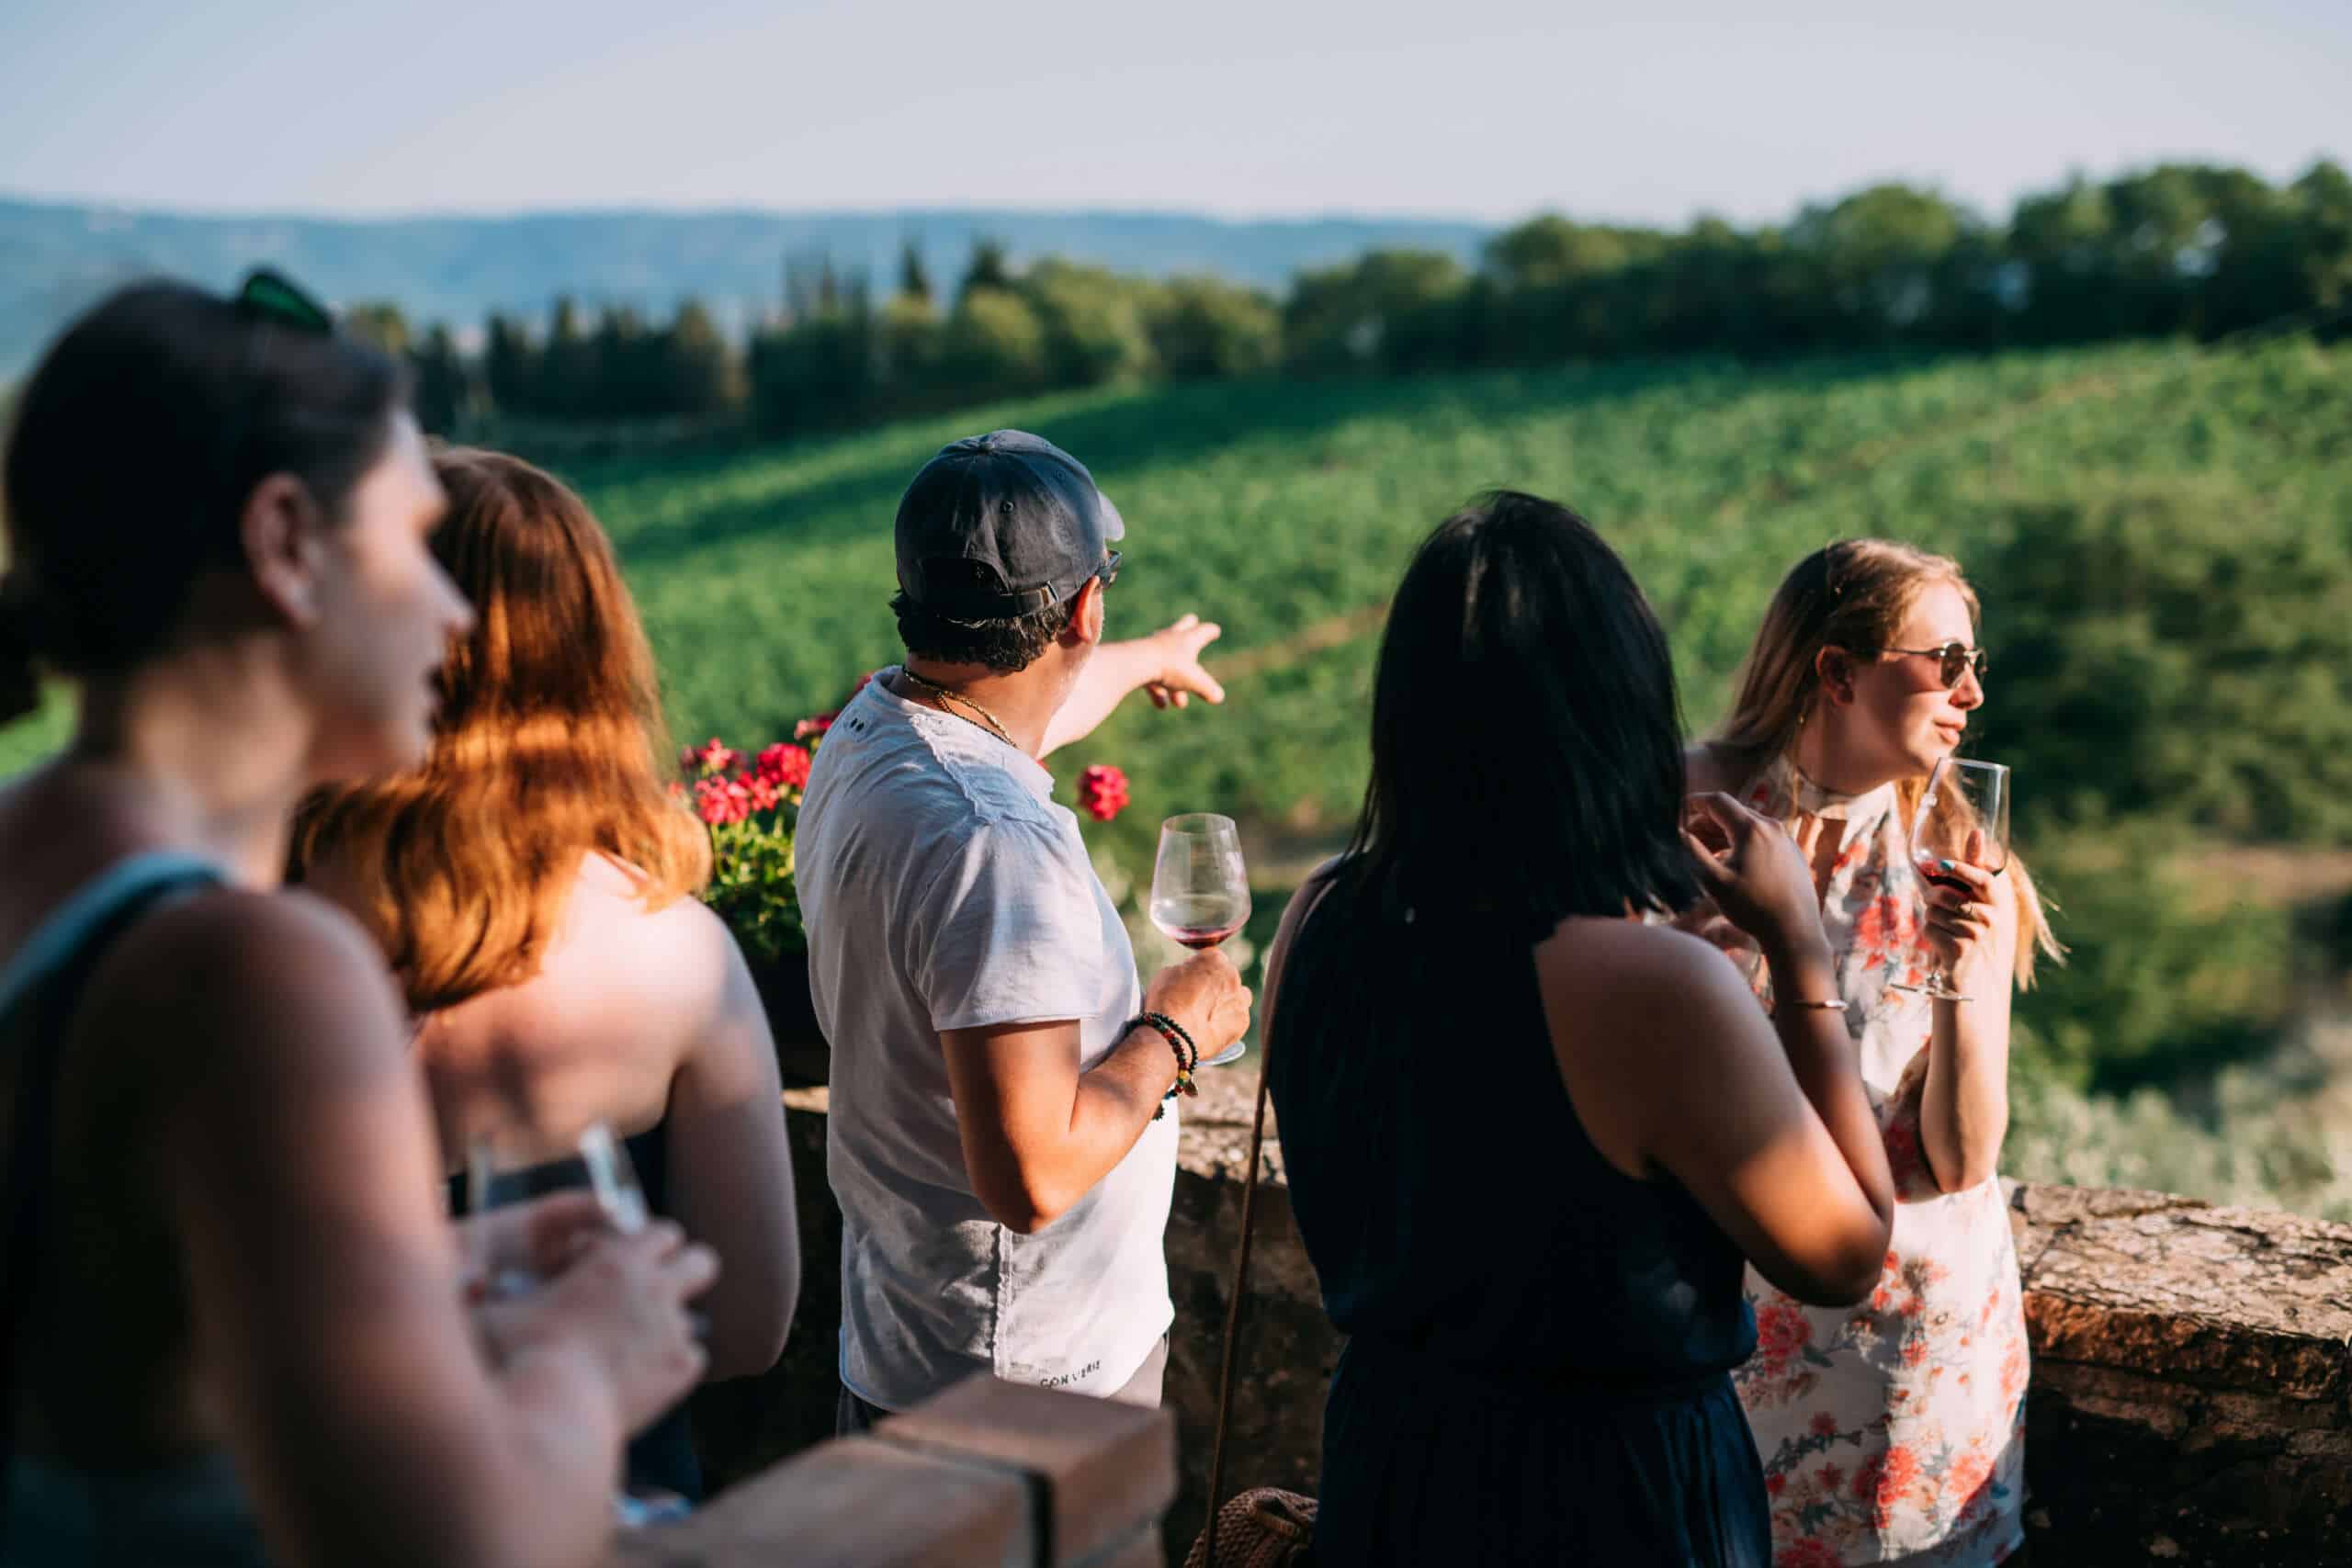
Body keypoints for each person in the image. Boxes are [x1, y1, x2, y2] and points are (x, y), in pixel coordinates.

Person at [0, 275, 714, 1567]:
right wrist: (586, 1359)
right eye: (414, 545)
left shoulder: (38, 870)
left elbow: (105, 1321)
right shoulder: (249, 972)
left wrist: (423, 1266)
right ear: (283, 544)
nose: (452, 616)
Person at [1259, 491, 1897, 1566]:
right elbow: (1845, 1253)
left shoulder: (1317, 915)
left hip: (1391, 1467)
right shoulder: (1657, 990)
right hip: (1604, 1501)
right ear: (1618, 713)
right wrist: (1799, 953)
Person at [293, 446, 798, 1502]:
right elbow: (748, 1324)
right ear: (594, 652)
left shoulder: (256, 923)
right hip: (590, 1495)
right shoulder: (677, 951)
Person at [795, 429, 1251, 1429]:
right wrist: (1176, 1034)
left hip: (912, 1342)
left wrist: (1142, 661)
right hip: (1025, 1384)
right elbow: (1033, 1174)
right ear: (1084, 605)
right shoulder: (995, 848)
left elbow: (1015, 711)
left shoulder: (872, 729)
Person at [1690, 539, 2059, 1567]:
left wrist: (1967, 982)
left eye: (1976, 663)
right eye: (1946, 660)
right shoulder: (1688, 817)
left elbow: (1960, 1161)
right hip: (1730, 1349)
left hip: (1916, 1370)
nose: (1972, 691)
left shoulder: (1959, 853)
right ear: (1837, 670)